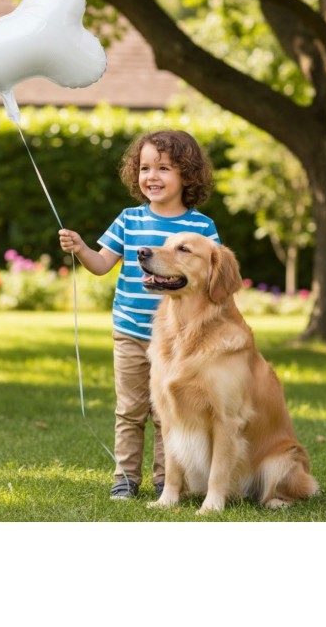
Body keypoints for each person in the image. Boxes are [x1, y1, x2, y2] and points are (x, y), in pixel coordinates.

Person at [59, 129, 220, 500]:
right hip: (131, 332)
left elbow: (214, 277)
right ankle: (125, 478)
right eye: (145, 167)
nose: (152, 176)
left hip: (180, 340)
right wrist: (82, 247)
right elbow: (101, 265)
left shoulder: (201, 228)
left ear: (187, 175)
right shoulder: (129, 219)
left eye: (164, 168)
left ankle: (167, 480)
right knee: (131, 409)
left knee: (171, 413)